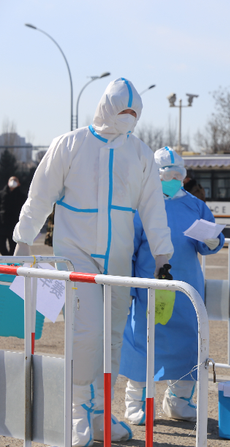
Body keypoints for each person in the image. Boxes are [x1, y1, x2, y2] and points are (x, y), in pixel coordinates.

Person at [12, 78, 174, 446]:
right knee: (86, 335)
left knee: (113, 337)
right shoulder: (69, 145)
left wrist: (162, 254)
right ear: (107, 107)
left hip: (118, 259)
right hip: (76, 256)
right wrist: (23, 239)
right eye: (122, 110)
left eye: (133, 113)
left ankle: (101, 413)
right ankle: (77, 413)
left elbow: (153, 206)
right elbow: (40, 195)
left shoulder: (140, 153)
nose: (127, 117)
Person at [120, 147, 224, 424]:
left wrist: (213, 241)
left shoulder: (195, 205)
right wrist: (129, 287)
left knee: (188, 342)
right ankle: (135, 402)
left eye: (178, 175)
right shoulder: (141, 205)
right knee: (142, 343)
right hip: (149, 286)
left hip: (187, 287)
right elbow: (130, 249)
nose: (173, 180)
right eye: (167, 175)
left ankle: (179, 401)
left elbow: (208, 241)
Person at [0, 176, 26, 255]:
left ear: (19, 184)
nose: (13, 181)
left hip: (14, 224)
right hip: (2, 224)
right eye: (11, 180)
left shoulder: (22, 196)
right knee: (1, 245)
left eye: (15, 180)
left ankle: (12, 260)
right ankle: (6, 259)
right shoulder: (1, 194)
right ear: (8, 183)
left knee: (14, 246)